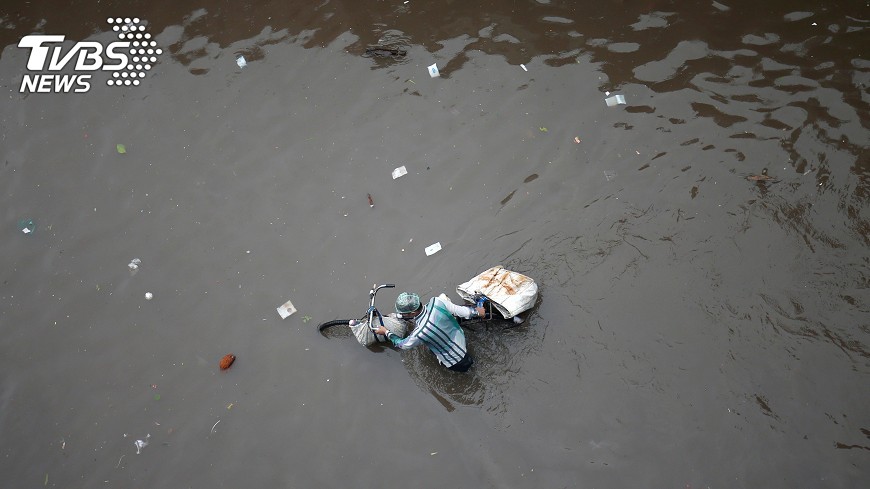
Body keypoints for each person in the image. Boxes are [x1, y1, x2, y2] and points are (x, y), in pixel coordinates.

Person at [374, 292, 485, 372]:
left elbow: (402, 344)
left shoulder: (420, 332)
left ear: (412, 313)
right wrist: (477, 312)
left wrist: (386, 332)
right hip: (461, 341)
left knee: (469, 372)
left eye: (403, 314)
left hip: (455, 361)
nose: (402, 315)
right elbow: (462, 311)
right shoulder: (437, 301)